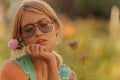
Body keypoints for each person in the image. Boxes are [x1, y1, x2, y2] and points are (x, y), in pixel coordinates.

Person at [0, 0, 77, 80]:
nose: (38, 33)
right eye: (29, 29)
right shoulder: (11, 69)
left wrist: (51, 63)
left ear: (56, 28)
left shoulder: (68, 75)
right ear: (21, 37)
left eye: (44, 24)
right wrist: (51, 62)